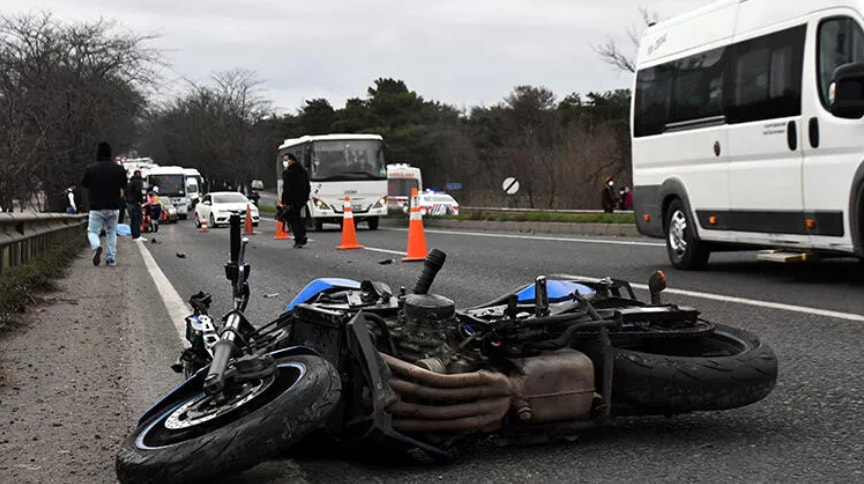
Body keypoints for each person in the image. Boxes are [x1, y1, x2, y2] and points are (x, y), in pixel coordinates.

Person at [81, 142, 127, 266]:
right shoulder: (118, 169)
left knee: (92, 231)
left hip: (96, 207)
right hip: (113, 206)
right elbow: (124, 185)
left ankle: (97, 247)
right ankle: (111, 258)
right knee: (111, 232)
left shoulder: (91, 169)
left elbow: (84, 184)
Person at [280, 152, 310, 248]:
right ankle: (302, 235)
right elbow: (307, 186)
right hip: (301, 199)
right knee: (298, 218)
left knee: (294, 220)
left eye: (286, 160)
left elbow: (287, 188)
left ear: (291, 160)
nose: (285, 162)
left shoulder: (288, 173)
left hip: (292, 200)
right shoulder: (303, 171)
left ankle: (299, 239)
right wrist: (305, 198)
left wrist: (284, 201)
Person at [126, 169, 146, 242]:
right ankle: (137, 235)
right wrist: (139, 201)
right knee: (137, 219)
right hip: (135, 203)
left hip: (129, 204)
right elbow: (138, 192)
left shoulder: (130, 182)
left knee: (133, 220)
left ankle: (134, 235)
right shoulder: (138, 182)